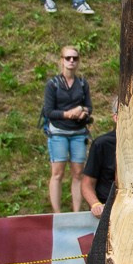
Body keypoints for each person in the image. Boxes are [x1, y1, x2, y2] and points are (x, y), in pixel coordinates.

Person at [43, 45, 93, 213]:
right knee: (57, 173)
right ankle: (57, 213)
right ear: (62, 60)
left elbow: (89, 107)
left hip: (78, 133)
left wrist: (83, 112)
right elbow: (49, 111)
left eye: (75, 58)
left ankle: (76, 212)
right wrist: (69, 114)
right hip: (58, 132)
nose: (71, 61)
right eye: (68, 58)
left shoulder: (82, 83)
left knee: (78, 173)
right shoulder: (53, 84)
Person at [78, 95, 119, 219]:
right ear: (116, 117)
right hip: (108, 210)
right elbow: (87, 183)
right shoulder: (102, 144)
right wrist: (95, 204)